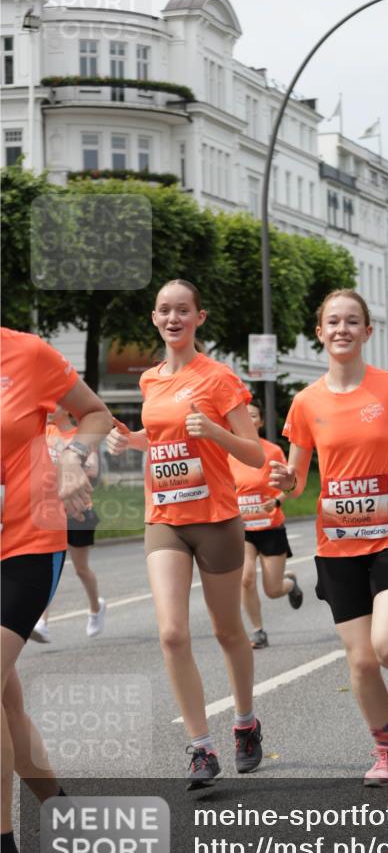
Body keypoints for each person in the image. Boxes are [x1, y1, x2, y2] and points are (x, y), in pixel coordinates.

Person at [271, 289, 388, 788]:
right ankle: (386, 751)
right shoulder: (305, 402)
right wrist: (284, 481)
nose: (342, 329)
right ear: (320, 332)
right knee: (361, 659)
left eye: (352, 322)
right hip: (337, 545)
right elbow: (297, 478)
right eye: (332, 322)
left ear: (367, 332)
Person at [106, 279, 265, 790]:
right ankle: (201, 748)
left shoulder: (219, 378)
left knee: (226, 631)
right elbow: (160, 436)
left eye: (183, 310)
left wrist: (215, 432)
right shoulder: (150, 380)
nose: (173, 318)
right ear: (154, 318)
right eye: (164, 311)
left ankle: (245, 722)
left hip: (216, 519)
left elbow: (255, 454)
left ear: (200, 317)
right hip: (165, 519)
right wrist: (129, 440)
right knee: (172, 632)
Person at [1, 327, 112, 853]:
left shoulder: (27, 353)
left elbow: (95, 413)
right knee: (7, 705)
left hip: (26, 541)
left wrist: (72, 454)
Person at [229, 399, 303, 650]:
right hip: (243, 529)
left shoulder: (272, 452)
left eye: (252, 416)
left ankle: (289, 583)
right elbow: (223, 488)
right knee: (246, 579)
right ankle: (258, 631)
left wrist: (277, 501)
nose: (248, 420)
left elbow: (290, 485)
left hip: (271, 527)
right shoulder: (229, 453)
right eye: (243, 415)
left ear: (259, 421)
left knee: (272, 589)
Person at [30, 408, 106, 642]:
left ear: (69, 409)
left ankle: (96, 607)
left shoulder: (81, 435)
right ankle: (42, 622)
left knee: (81, 569)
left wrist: (68, 458)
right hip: (51, 511)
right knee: (47, 567)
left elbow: (92, 469)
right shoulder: (46, 431)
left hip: (79, 510)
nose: (50, 411)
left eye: (56, 406)